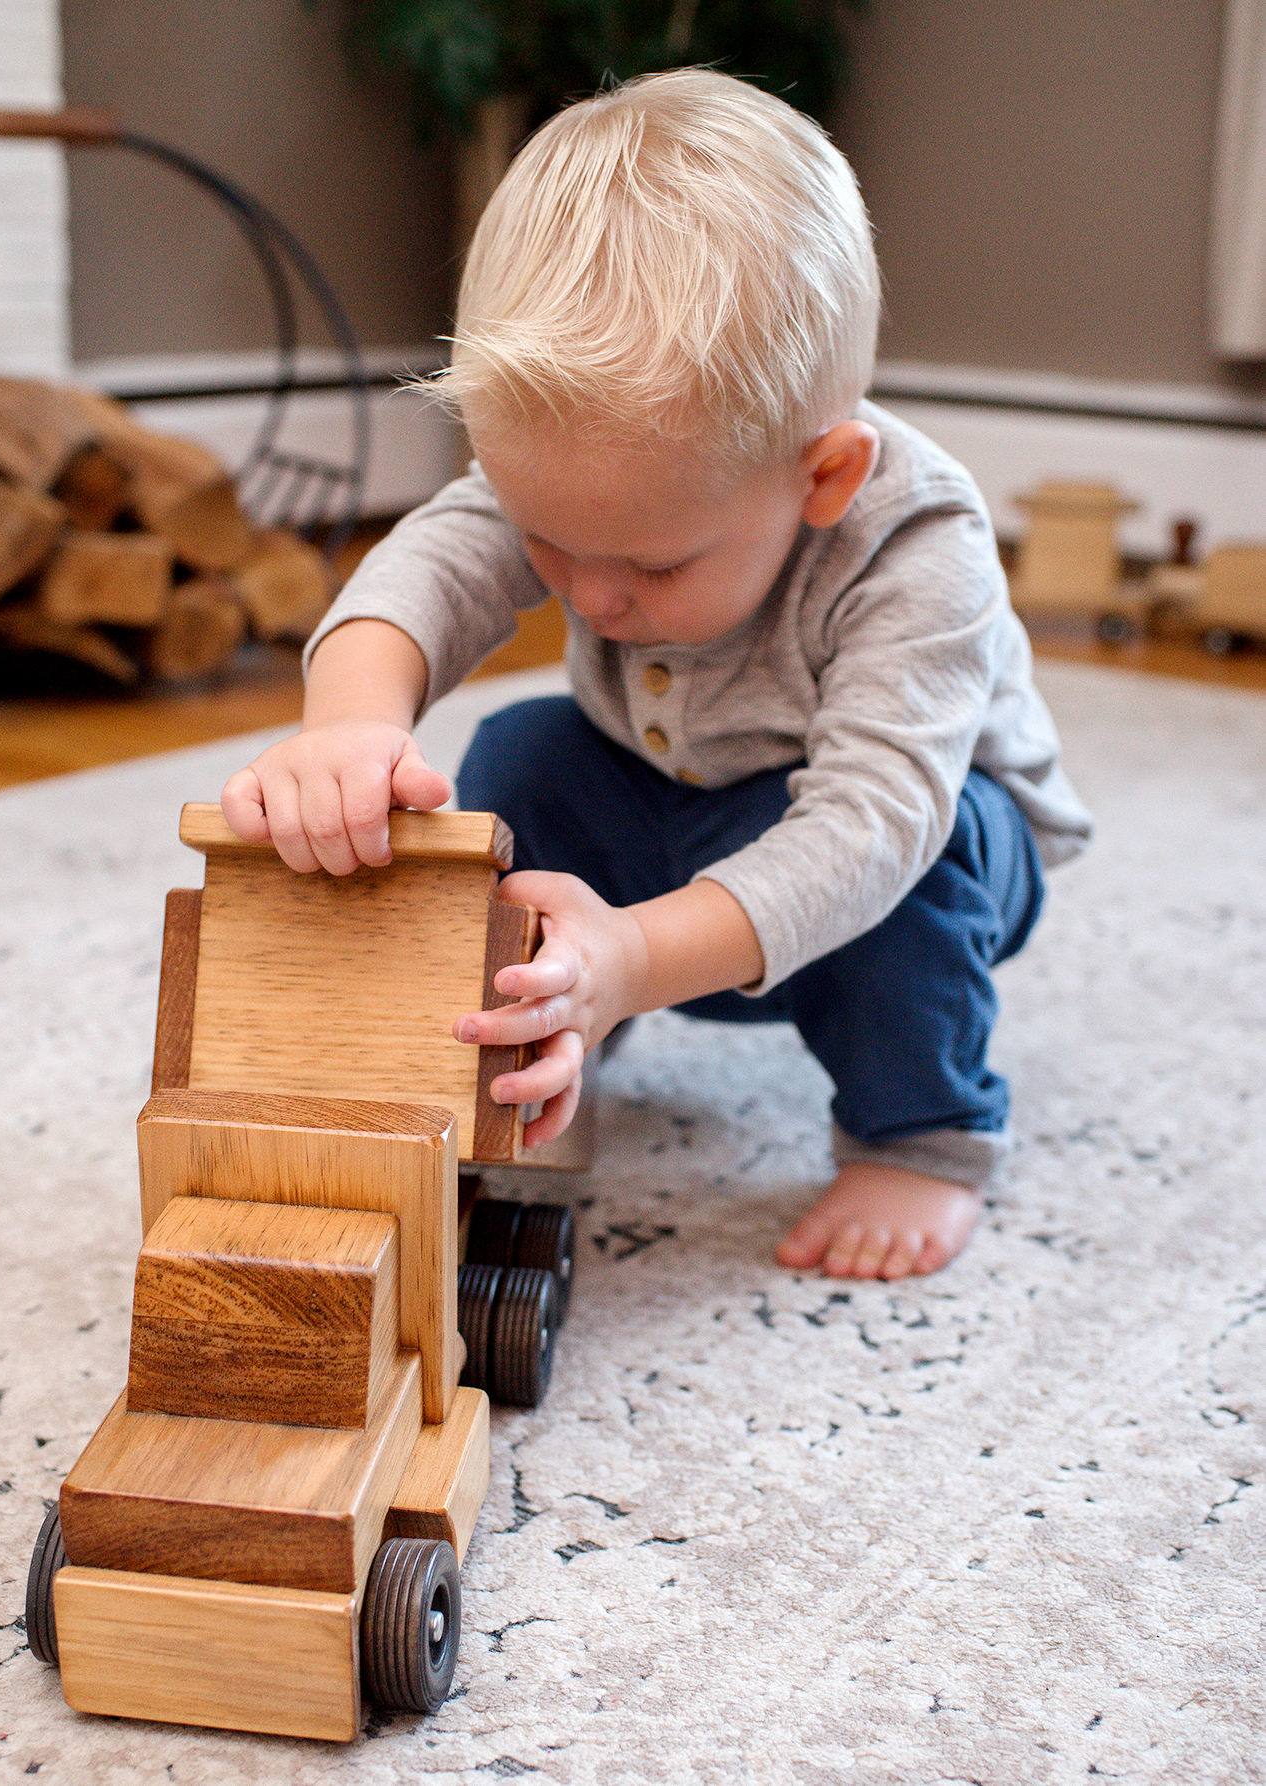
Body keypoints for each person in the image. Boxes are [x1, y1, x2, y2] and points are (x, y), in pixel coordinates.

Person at [220, 69, 1091, 1280]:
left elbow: (873, 823)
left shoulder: (915, 540)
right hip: (669, 803)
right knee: (521, 755)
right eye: (547, 542)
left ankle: (920, 1129)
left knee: (921, 864)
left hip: (898, 851)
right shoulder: (592, 477)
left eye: (647, 563)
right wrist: (346, 727)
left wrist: (633, 957)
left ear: (823, 476)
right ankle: (536, 1022)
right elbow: (429, 567)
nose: (589, 596)